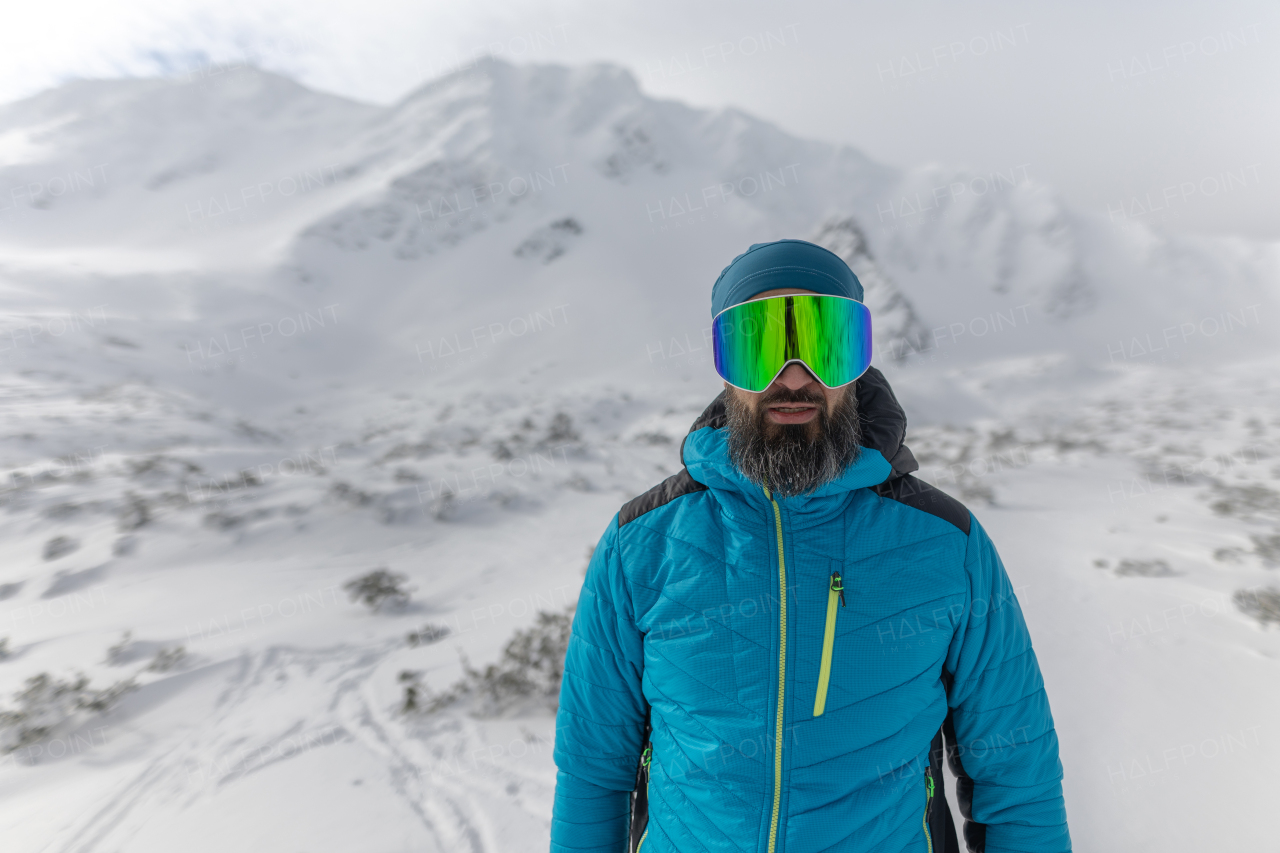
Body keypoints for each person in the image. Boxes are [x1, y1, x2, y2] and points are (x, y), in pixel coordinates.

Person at [550, 239, 1070, 853]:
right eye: (760, 344)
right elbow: (593, 769)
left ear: (860, 361)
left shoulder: (944, 543)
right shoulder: (641, 544)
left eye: (826, 341)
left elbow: (1017, 776)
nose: (794, 378)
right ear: (723, 366)